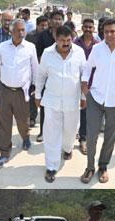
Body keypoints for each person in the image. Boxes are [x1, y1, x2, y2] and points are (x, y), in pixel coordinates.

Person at [80, 19, 115, 184]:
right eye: (106, 32)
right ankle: (89, 167)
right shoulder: (97, 49)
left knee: (110, 137)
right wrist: (84, 84)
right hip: (96, 98)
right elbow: (88, 67)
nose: (109, 35)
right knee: (92, 135)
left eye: (112, 31)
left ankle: (103, 166)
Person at [36, 25, 86, 183]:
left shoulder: (79, 52)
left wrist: (84, 96)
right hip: (52, 100)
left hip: (72, 100)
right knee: (51, 133)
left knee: (70, 130)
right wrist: (38, 94)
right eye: (62, 41)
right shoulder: (47, 53)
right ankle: (51, 166)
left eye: (68, 40)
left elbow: (84, 76)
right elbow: (41, 75)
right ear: (56, 40)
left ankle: (68, 148)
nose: (66, 44)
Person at [0, 19, 38, 169]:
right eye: (18, 30)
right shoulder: (3, 46)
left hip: (22, 92)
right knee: (4, 123)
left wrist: (35, 88)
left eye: (23, 30)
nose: (21, 33)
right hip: (4, 90)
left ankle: (25, 137)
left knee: (22, 121)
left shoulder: (30, 47)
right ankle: (4, 153)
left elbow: (35, 69)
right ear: (11, 32)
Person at [35, 10, 65, 143]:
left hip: (62, 75)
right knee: (45, 104)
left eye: (60, 19)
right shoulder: (42, 35)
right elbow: (39, 54)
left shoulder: (67, 33)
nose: (57, 21)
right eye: (55, 19)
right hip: (47, 74)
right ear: (50, 21)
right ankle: (42, 131)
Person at [74, 18, 100, 154]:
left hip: (92, 83)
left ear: (94, 28)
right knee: (73, 109)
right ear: (82, 28)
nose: (88, 29)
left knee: (86, 111)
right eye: (86, 27)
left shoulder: (99, 45)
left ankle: (83, 139)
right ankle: (72, 134)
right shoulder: (75, 43)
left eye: (91, 27)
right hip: (75, 81)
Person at [26, 16, 49, 128]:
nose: (44, 27)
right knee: (33, 93)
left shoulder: (49, 36)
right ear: (37, 25)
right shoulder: (30, 36)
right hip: (33, 69)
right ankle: (32, 117)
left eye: (46, 25)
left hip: (46, 70)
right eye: (42, 26)